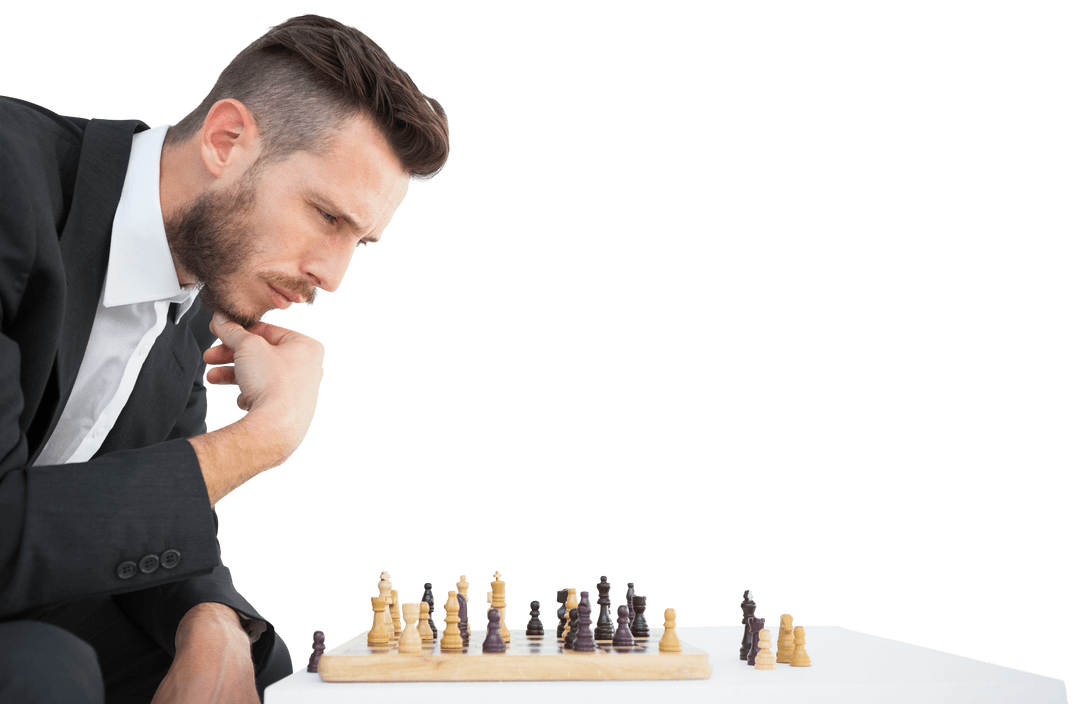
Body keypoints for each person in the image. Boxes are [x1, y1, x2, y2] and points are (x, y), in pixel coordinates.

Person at [0, 14, 450, 702]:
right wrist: (262, 438)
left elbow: (136, 503)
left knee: (248, 667)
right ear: (226, 139)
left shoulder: (197, 291)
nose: (333, 276)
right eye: (327, 216)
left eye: (359, 241)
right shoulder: (7, 185)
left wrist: (207, 618)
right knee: (44, 666)